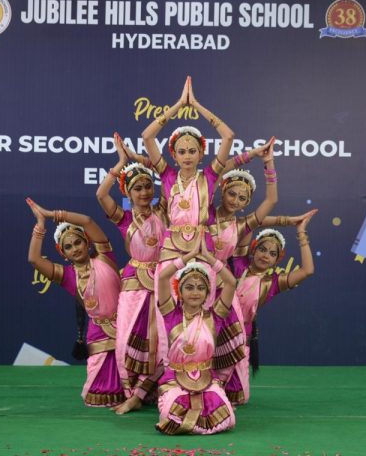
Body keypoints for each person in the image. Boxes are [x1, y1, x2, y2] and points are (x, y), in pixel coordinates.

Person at [27, 199, 124, 407]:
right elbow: (34, 259)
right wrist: (40, 224)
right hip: (99, 334)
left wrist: (52, 213)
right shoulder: (66, 275)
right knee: (100, 392)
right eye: (68, 247)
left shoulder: (105, 256)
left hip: (128, 328)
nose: (75, 249)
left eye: (78, 242)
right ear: (63, 253)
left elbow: (87, 221)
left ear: (87, 242)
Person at [96, 133, 167, 414]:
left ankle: (144, 393)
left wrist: (139, 159)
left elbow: (169, 176)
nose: (144, 192)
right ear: (127, 192)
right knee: (127, 340)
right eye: (137, 188)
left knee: (161, 340)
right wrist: (121, 163)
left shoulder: (164, 211)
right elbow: (101, 195)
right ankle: (131, 392)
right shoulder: (124, 218)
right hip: (134, 282)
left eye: (148, 186)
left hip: (164, 279)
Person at [154, 231, 245, 435]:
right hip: (174, 377)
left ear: (207, 293)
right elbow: (163, 277)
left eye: (200, 288)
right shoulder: (171, 314)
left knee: (227, 417)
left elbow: (231, 283)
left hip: (206, 378)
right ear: (180, 292)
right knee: (170, 413)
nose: (195, 292)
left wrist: (209, 258)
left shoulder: (215, 316)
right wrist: (189, 255)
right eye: (189, 287)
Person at [224, 210, 317, 405]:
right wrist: (287, 220)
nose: (266, 255)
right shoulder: (238, 263)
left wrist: (301, 232)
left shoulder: (272, 283)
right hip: (215, 330)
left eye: (272, 253)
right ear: (253, 249)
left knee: (239, 397)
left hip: (239, 338)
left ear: (278, 260)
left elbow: (307, 270)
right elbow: (254, 222)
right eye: (263, 249)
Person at [141, 76, 234, 261]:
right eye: (182, 152)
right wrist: (179, 104)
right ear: (174, 156)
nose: (187, 156)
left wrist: (196, 105)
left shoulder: (209, 176)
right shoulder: (167, 175)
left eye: (192, 151)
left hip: (202, 247)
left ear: (201, 154)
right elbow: (147, 137)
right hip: (171, 248)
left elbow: (228, 136)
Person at [209, 137, 278, 265]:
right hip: (193, 274)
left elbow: (271, 200)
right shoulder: (205, 211)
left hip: (221, 276)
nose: (235, 201)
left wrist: (269, 162)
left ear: (245, 204)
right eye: (232, 194)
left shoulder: (242, 226)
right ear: (223, 193)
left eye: (242, 198)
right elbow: (218, 172)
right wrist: (252, 153)